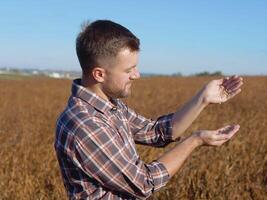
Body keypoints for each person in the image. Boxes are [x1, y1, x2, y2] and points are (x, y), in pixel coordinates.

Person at [55, 19, 244, 200]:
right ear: (99, 74)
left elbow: (156, 132)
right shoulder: (85, 125)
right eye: (129, 70)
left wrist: (203, 98)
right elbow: (143, 184)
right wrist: (195, 140)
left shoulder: (110, 106)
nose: (136, 75)